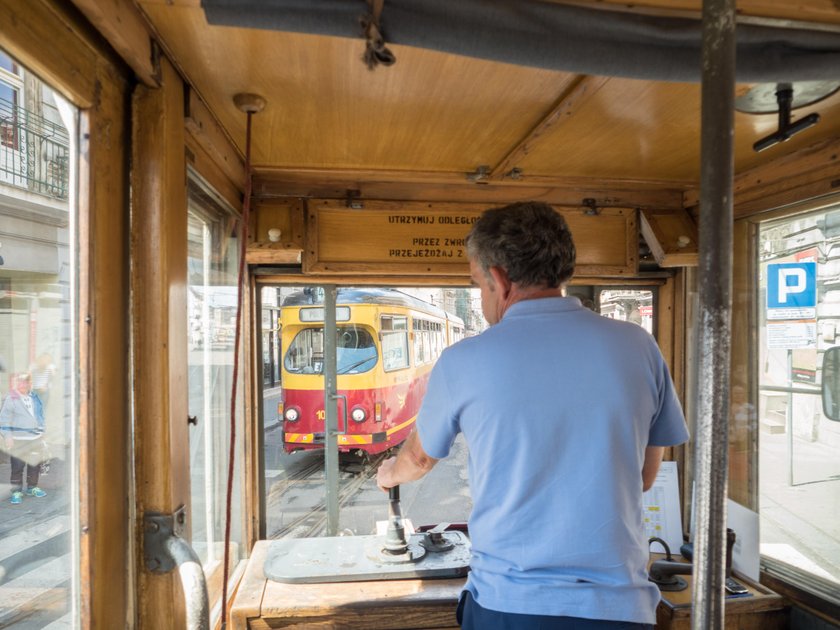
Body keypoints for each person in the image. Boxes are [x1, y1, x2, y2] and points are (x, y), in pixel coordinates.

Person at [376, 201, 689, 629]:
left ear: (500, 280)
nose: (483, 301)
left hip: (509, 606)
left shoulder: (465, 360)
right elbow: (644, 476)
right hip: (620, 610)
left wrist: (389, 473)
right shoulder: (638, 346)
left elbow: (417, 460)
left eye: (478, 286)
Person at [1, 372, 48, 504]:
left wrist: (42, 431)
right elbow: (4, 420)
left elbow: (40, 415)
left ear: (29, 383)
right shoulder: (12, 398)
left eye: (24, 382)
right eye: (19, 382)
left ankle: (32, 487)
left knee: (34, 464)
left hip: (35, 438)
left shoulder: (34, 397)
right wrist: (7, 436)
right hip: (18, 439)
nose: (22, 385)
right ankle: (16, 491)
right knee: (17, 466)